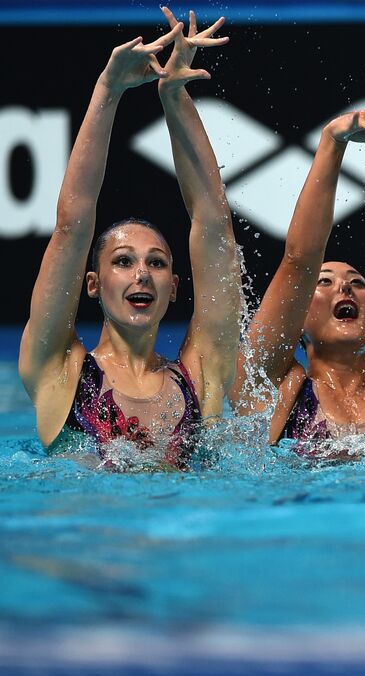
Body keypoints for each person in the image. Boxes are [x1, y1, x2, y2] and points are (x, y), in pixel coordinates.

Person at [20, 12, 241, 470]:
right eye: (123, 261)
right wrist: (108, 91)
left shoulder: (201, 374)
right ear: (94, 284)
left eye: (157, 263)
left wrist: (174, 96)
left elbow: (214, 225)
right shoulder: (60, 370)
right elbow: (70, 227)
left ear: (175, 287)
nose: (142, 272)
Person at [231, 100, 365, 455]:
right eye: (324, 282)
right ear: (297, 320)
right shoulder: (274, 387)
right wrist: (333, 140)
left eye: (357, 282)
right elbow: (299, 261)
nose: (344, 286)